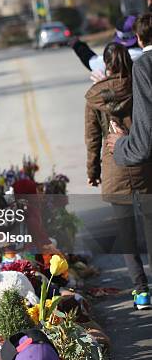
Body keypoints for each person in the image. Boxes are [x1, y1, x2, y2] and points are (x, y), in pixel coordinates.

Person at [84, 42, 152, 309]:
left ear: (106, 65)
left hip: (115, 167)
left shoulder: (94, 97)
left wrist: (93, 171)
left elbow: (92, 139)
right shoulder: (141, 83)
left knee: (127, 236)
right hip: (144, 164)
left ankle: (141, 292)